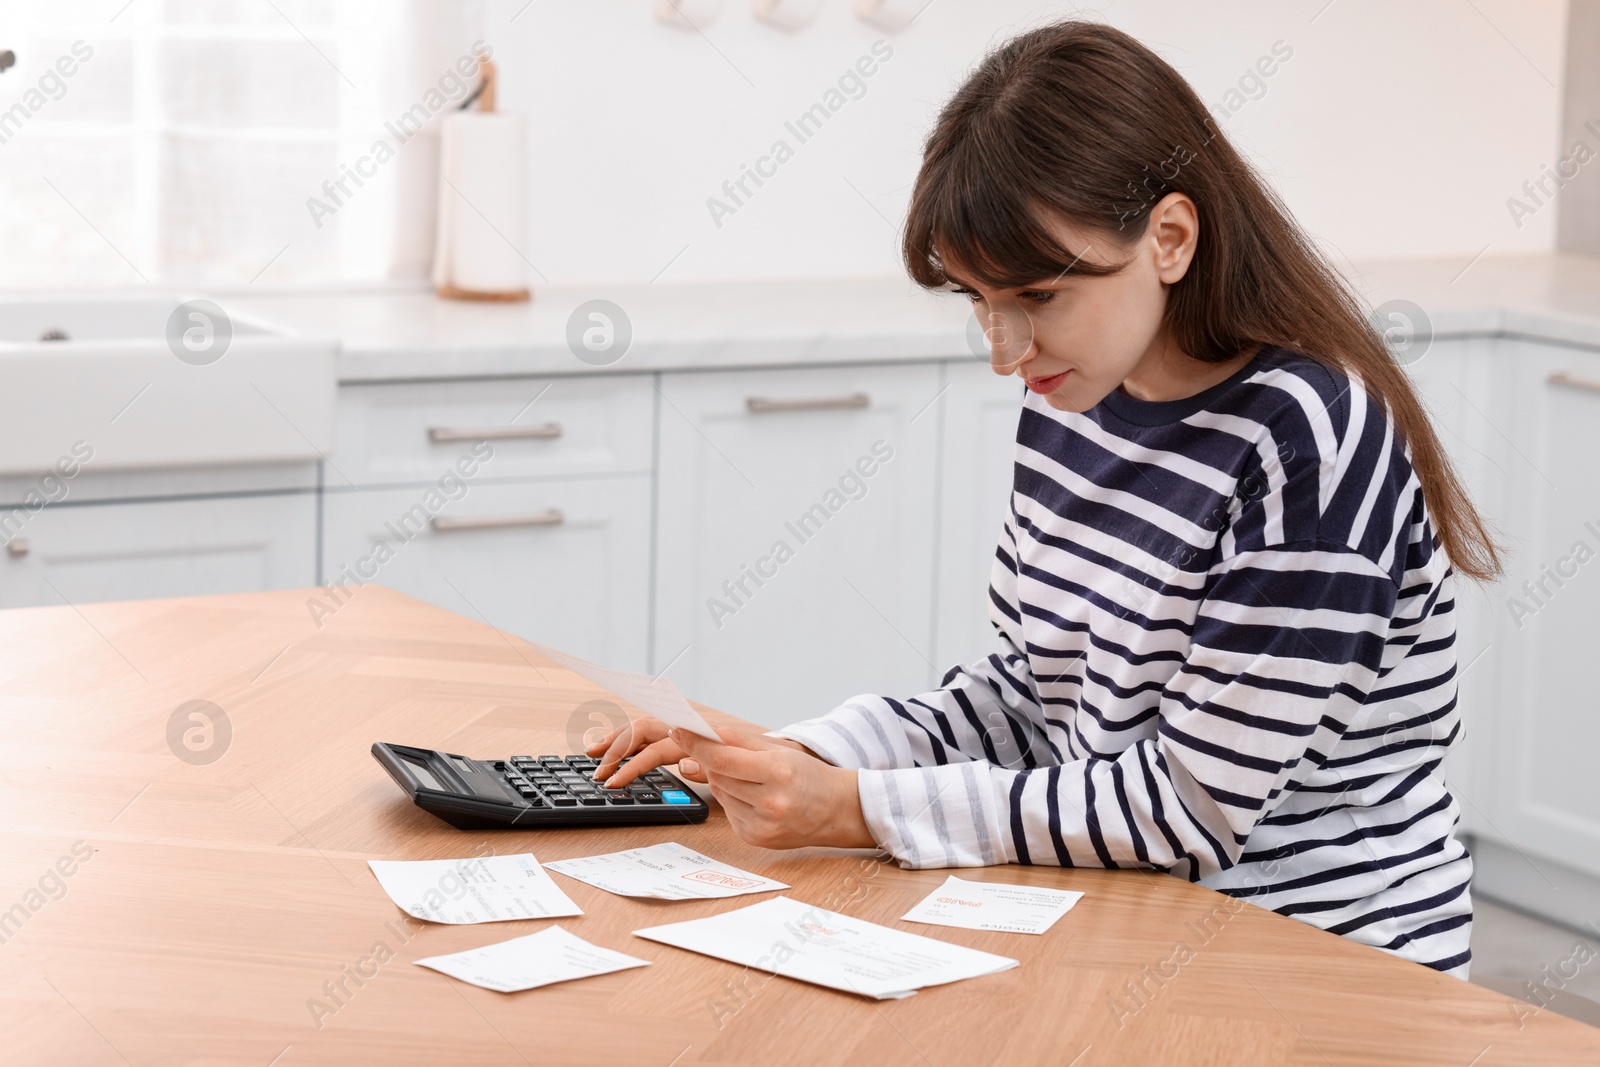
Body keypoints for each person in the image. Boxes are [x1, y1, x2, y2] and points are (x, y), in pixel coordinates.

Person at [588, 19, 1499, 979]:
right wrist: (789, 755)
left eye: (1036, 296)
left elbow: (1189, 812)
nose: (1004, 349)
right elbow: (1031, 695)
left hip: (1320, 964)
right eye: (979, 300)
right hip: (1125, 920)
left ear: (1171, 239)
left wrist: (854, 807)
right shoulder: (1076, 397)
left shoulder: (1309, 438)